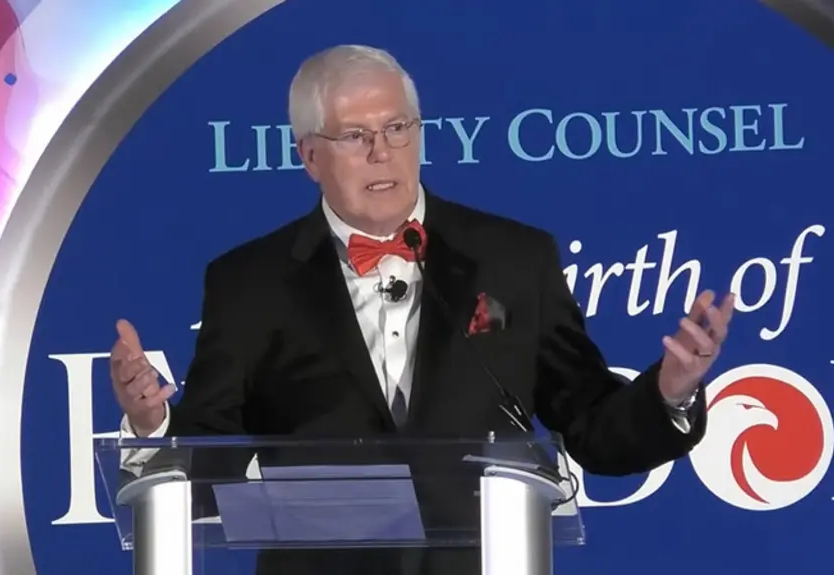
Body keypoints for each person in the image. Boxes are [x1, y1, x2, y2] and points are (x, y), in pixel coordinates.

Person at [110, 44, 735, 575]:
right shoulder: (249, 281)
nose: (382, 152)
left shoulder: (513, 259)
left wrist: (670, 393)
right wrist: (151, 423)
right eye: (355, 136)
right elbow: (209, 460)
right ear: (308, 155)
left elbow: (594, 429)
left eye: (398, 128)